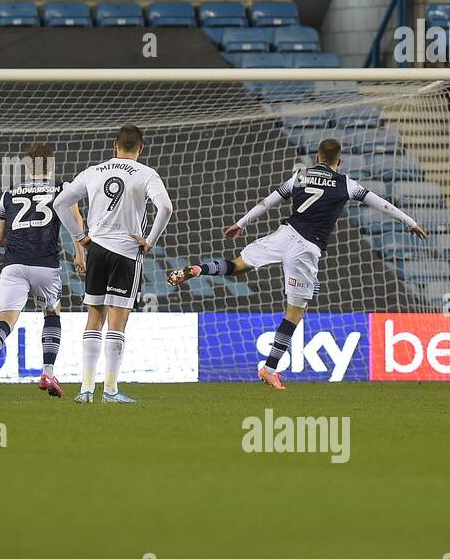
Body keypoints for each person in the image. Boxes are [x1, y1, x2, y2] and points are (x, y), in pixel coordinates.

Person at [169, 138, 427, 389]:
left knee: (237, 266)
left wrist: (241, 223)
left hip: (284, 235)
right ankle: (269, 370)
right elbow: (380, 203)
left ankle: (198, 269)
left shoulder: (300, 177)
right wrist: (410, 222)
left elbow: (267, 202)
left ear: (317, 157)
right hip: (305, 249)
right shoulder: (346, 184)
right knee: (294, 314)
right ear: (339, 161)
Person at [54, 125, 173, 404]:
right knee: (117, 322)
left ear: (114, 146)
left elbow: (61, 203)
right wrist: (150, 240)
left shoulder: (93, 171)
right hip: (127, 252)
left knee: (94, 318)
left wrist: (81, 237)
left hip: (96, 250)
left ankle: (85, 389)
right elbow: (165, 207)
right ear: (141, 149)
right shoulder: (146, 174)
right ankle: (109, 390)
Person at [0, 142, 86, 400]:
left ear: (26, 167)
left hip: (13, 265)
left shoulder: (9, 193)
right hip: (46, 265)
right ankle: (47, 372)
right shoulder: (62, 189)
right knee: (51, 312)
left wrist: (21, 236)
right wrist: (80, 255)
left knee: (5, 321)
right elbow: (75, 224)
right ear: (52, 166)